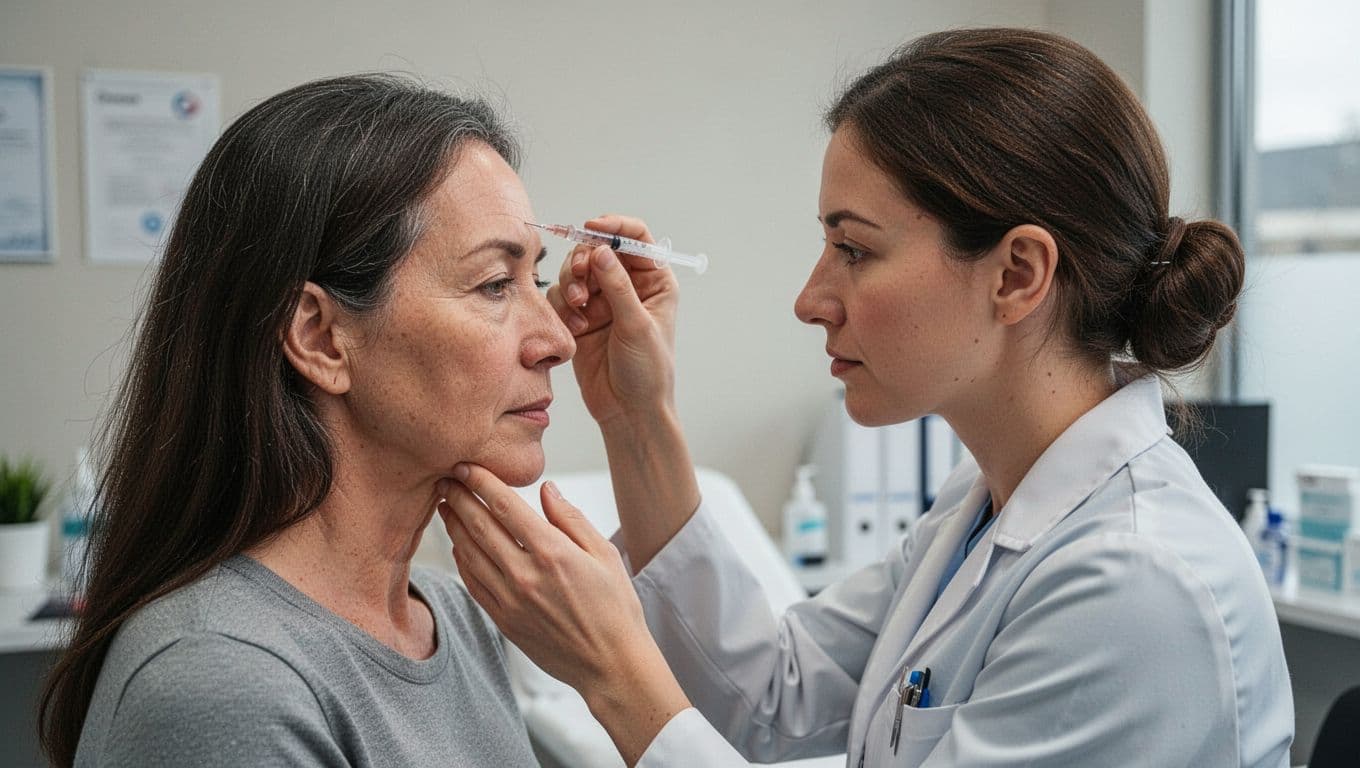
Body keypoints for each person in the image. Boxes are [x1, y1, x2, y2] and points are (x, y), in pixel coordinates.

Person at [438, 28, 1295, 767]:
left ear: (1018, 274)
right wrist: (636, 417)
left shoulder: (1136, 586)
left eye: (854, 250)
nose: (812, 300)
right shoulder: (986, 507)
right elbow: (772, 694)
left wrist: (611, 668)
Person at [39, 74, 573, 767]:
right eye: (496, 285)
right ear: (321, 338)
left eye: (537, 278)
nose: (557, 339)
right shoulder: (224, 682)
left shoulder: (452, 615)